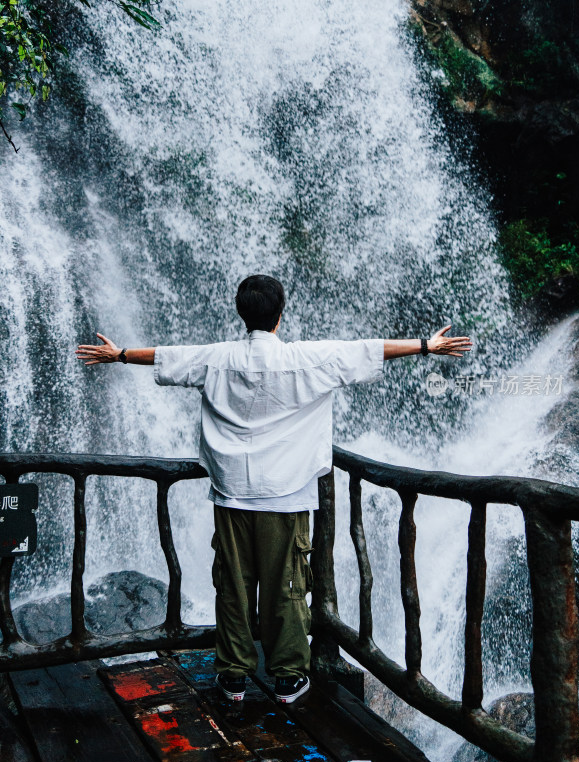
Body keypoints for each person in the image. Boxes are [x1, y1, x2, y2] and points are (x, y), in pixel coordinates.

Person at [76, 274, 472, 703]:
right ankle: (287, 676)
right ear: (280, 316)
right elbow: (370, 350)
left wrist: (118, 355)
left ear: (241, 313)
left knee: (233, 585)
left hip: (231, 493)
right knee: (286, 584)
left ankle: (233, 675)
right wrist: (426, 345)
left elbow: (164, 358)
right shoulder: (309, 359)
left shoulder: (216, 357)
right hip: (286, 496)